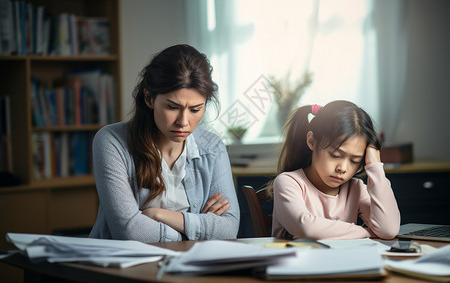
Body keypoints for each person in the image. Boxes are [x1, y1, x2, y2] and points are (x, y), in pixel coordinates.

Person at [89, 44, 240, 242]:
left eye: (195, 109)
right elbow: (129, 232)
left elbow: (228, 230)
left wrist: (157, 215)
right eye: (172, 107)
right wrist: (194, 230)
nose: (183, 122)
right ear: (149, 98)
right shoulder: (111, 142)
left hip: (188, 267)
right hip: (123, 267)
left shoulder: (212, 147)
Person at [271, 100, 400, 240]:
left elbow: (388, 230)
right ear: (312, 141)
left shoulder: (355, 189)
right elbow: (305, 228)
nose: (343, 168)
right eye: (335, 155)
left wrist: (375, 166)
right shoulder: (289, 182)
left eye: (354, 161)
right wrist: (367, 233)